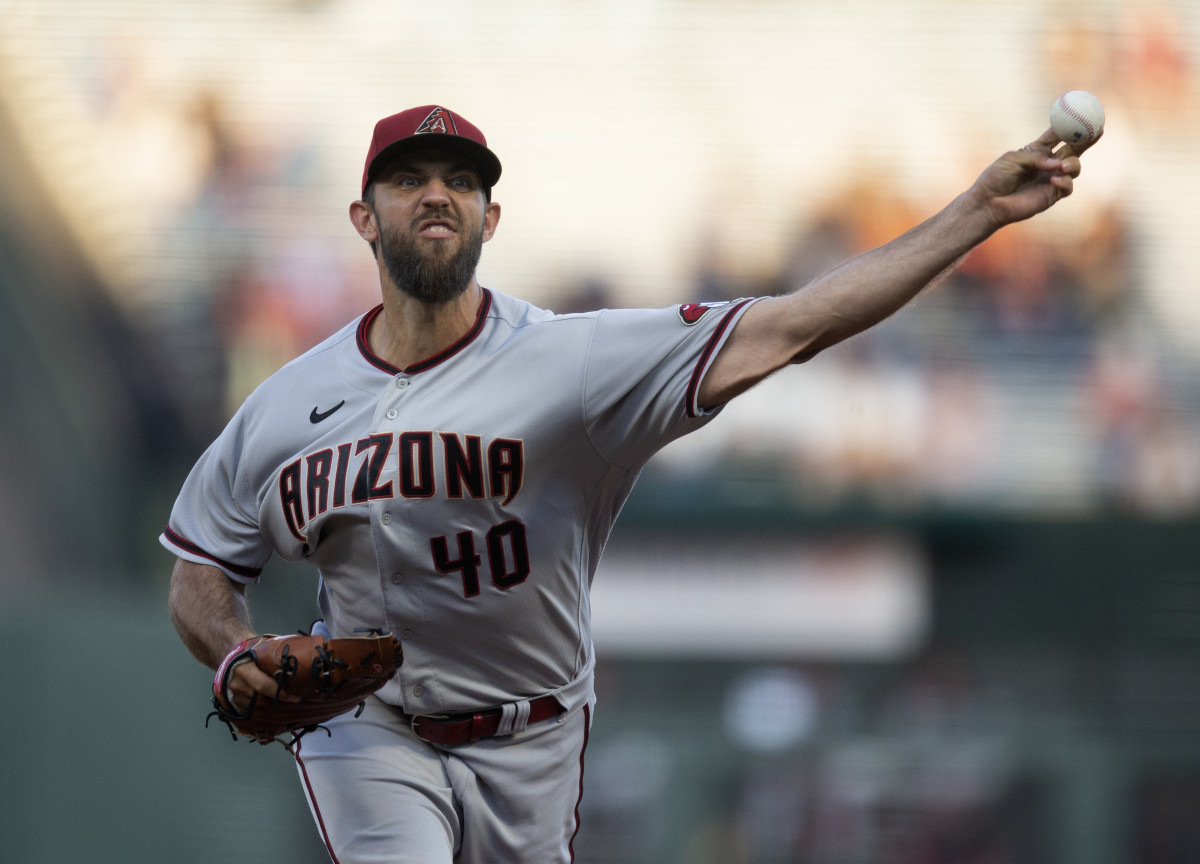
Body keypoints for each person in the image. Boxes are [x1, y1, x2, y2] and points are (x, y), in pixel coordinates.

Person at [163, 103, 1092, 863]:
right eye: (407, 179)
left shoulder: (574, 360)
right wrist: (236, 649)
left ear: (492, 217)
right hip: (367, 722)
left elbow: (793, 326)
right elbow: (200, 566)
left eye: (462, 181)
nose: (437, 195)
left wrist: (977, 211)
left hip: (530, 733)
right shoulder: (287, 405)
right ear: (365, 219)